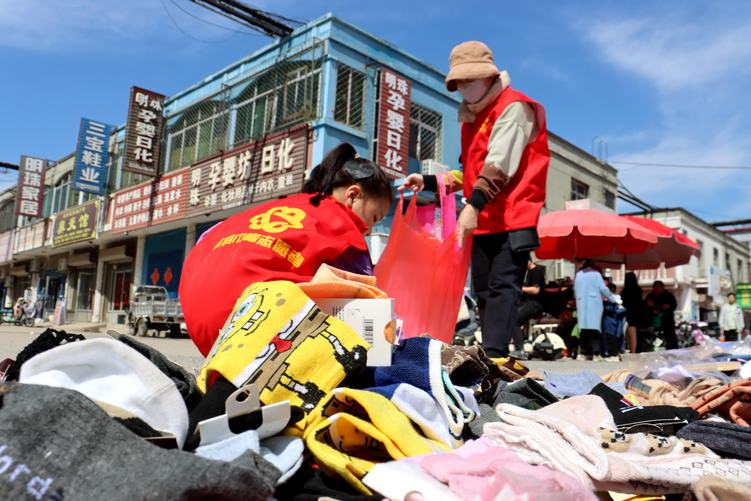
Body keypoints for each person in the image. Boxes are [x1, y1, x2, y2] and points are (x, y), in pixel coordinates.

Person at [400, 41, 550, 357]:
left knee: (502, 290)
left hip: (512, 218)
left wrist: (472, 207)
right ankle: (490, 353)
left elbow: (498, 166)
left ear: (488, 76)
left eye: (471, 80)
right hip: (482, 220)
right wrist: (427, 180)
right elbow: (468, 172)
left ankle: (496, 356)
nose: (465, 88)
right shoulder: (474, 117)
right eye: (460, 83)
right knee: (482, 291)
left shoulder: (514, 106)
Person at [180, 143, 394, 356]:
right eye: (375, 217)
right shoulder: (344, 230)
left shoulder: (267, 209)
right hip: (258, 334)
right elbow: (369, 300)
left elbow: (204, 238)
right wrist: (396, 342)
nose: (369, 230)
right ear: (353, 195)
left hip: (207, 333)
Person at [574, 261, 616, 360]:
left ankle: (583, 353)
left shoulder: (578, 275)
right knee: (595, 330)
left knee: (583, 329)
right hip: (594, 303)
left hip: (581, 303)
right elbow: (603, 289)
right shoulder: (596, 274)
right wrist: (612, 299)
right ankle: (596, 354)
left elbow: (575, 290)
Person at [511, 259, 545, 359]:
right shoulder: (529, 272)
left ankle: (519, 349)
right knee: (510, 316)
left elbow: (535, 290)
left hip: (534, 304)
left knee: (515, 320)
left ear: (528, 261)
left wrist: (520, 288)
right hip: (528, 303)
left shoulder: (536, 272)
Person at [645, 280, 678, 350]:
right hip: (653, 323)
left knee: (670, 340)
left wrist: (668, 307)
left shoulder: (669, 296)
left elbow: (674, 306)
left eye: (656, 287)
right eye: (653, 287)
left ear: (662, 287)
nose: (654, 289)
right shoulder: (651, 296)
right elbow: (645, 307)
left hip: (667, 323)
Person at [620, 272, 647, 353]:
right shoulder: (638, 290)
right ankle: (634, 351)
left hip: (629, 316)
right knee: (634, 337)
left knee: (631, 336)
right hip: (638, 315)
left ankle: (633, 352)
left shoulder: (626, 291)